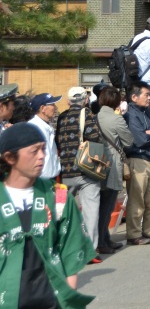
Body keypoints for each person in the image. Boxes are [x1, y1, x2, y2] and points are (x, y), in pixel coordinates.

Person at [0, 123, 96, 307]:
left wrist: (69, 296)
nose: (42, 156)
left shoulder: (58, 195)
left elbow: (71, 248)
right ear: (10, 158)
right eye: (34, 151)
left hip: (51, 297)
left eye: (43, 149)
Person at [55, 86, 102, 256]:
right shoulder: (87, 114)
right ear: (86, 100)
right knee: (90, 211)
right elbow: (95, 138)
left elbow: (57, 141)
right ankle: (89, 250)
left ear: (68, 101)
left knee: (61, 211)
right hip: (86, 170)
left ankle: (62, 247)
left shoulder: (61, 117)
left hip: (64, 173)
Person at [123, 84, 150, 245]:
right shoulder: (130, 114)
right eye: (146, 95)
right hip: (137, 159)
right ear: (134, 97)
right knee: (137, 199)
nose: (149, 98)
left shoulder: (146, 112)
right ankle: (133, 234)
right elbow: (140, 139)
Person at [95, 85, 131, 255]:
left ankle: (104, 238)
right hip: (112, 164)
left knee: (100, 205)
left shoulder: (93, 117)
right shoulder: (117, 119)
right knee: (107, 206)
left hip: (96, 163)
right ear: (116, 102)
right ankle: (102, 241)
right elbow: (129, 140)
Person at [28, 93, 63, 180]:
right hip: (40, 180)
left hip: (52, 178)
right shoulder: (33, 127)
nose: (55, 108)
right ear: (43, 108)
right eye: (52, 105)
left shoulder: (46, 126)